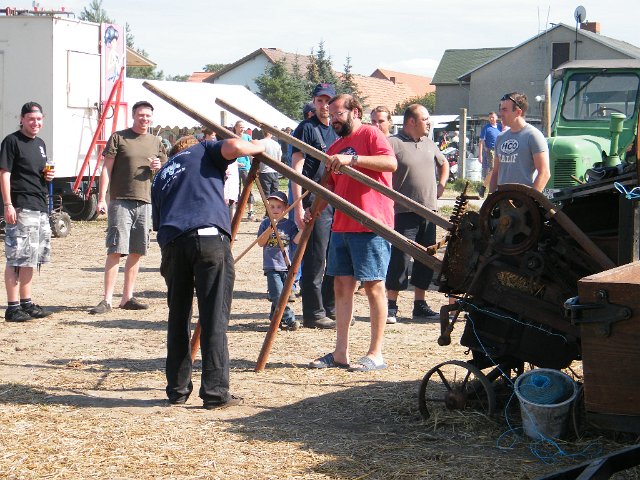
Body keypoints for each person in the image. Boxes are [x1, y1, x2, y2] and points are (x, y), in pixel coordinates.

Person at [151, 134, 265, 409]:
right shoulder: (202, 150)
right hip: (207, 236)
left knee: (178, 317)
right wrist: (259, 146)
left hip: (172, 243)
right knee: (214, 315)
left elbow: (158, 221)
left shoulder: (162, 173)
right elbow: (234, 146)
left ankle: (177, 390)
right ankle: (215, 393)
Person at [308, 94, 397, 372]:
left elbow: (390, 163)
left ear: (355, 112)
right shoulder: (336, 147)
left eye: (338, 114)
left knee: (373, 286)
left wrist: (353, 159)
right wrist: (314, 208)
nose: (333, 119)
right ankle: (340, 353)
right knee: (341, 286)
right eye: (330, 114)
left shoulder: (370, 134)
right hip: (342, 225)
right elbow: (330, 186)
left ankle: (375, 353)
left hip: (371, 223)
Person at [89, 100, 167, 314]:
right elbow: (106, 169)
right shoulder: (119, 137)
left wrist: (158, 166)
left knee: (137, 251)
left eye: (148, 116)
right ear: (133, 116)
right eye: (141, 115)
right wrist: (102, 198)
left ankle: (127, 298)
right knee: (116, 249)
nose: (144, 119)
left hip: (146, 202)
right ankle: (107, 300)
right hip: (120, 200)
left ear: (152, 118)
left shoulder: (156, 141)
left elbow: (163, 170)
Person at [385, 105, 448, 324]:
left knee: (426, 257)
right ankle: (391, 305)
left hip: (429, 211)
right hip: (404, 211)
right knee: (400, 258)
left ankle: (419, 305)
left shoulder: (429, 143)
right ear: (411, 121)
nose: (429, 122)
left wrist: (441, 185)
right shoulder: (393, 143)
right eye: (425, 119)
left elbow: (444, 164)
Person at [0, 101, 55, 322]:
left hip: (39, 206)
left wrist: (47, 176)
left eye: (39, 119)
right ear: (21, 119)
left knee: (32, 258)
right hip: (21, 206)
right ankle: (12, 308)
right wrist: (8, 204)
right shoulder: (11, 141)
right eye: (31, 119)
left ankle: (27, 303)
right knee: (17, 257)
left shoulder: (40, 143)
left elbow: (36, 173)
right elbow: (4, 173)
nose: (35, 123)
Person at [290, 83, 338, 329]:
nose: (325, 106)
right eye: (320, 101)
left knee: (334, 256)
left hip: (336, 200)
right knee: (315, 258)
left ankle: (330, 307)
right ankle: (313, 313)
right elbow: (296, 169)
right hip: (313, 199)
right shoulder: (306, 128)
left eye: (329, 101)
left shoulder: (338, 130)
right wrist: (298, 206)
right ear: (314, 102)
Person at [257, 191, 301, 331]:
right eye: (272, 207)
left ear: (286, 208)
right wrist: (269, 230)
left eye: (279, 207)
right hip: (272, 266)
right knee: (277, 295)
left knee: (281, 295)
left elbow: (296, 240)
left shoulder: (290, 225)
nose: (275, 210)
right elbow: (260, 243)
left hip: (286, 265)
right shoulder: (265, 224)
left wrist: (304, 228)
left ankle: (274, 318)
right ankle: (290, 319)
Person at [490, 92, 550, 193]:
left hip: (523, 199)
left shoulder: (533, 136)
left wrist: (530, 200)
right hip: (503, 199)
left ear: (518, 112)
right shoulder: (500, 138)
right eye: (500, 109)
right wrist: (490, 198)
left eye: (505, 110)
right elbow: (495, 173)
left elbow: (544, 173)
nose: (500, 114)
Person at [233, 121, 256, 219]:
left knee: (248, 189)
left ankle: (250, 211)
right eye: (240, 127)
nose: (242, 129)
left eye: (243, 127)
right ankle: (235, 212)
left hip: (246, 167)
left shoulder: (247, 137)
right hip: (234, 168)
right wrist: (235, 163)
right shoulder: (232, 137)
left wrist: (254, 163)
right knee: (235, 190)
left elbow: (252, 150)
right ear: (235, 127)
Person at [477, 112, 501, 197]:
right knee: (493, 170)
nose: (491, 119)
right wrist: (480, 155)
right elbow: (481, 142)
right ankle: (483, 188)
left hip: (501, 150)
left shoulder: (500, 127)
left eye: (493, 117)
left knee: (501, 171)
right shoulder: (486, 128)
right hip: (491, 150)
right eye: (490, 117)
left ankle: (497, 190)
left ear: (496, 118)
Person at [257, 131, 282, 198]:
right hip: (274, 171)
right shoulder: (276, 144)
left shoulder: (259, 143)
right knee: (275, 194)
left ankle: (268, 205)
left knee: (266, 195)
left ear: (263, 133)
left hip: (264, 171)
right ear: (271, 134)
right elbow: (279, 159)